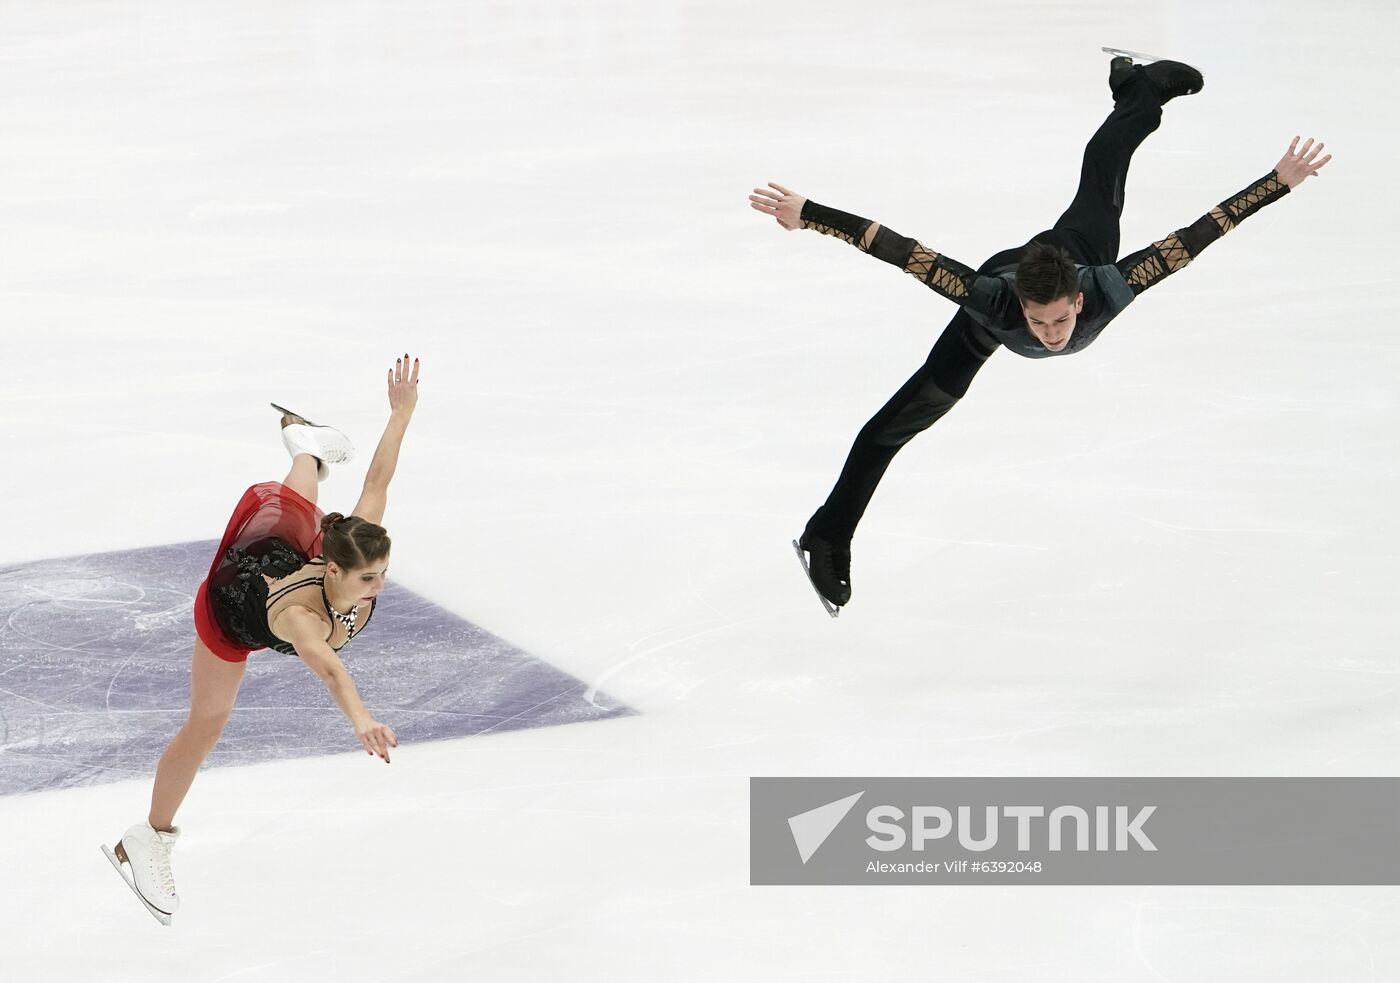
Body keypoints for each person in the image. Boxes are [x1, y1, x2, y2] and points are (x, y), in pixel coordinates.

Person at [749, 56, 1331, 614]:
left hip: (1078, 246)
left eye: (1059, 320)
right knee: (897, 423)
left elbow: (1200, 233)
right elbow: (904, 253)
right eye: (1040, 322)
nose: (1052, 335)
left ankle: (1139, 89)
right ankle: (827, 534)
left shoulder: (1112, 282)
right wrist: (811, 214)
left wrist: (1276, 182)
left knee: (1104, 163)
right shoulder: (994, 302)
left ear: (1080, 302)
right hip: (1010, 273)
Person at [103, 354, 421, 922]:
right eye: (367, 579)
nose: (377, 587)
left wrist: (401, 414)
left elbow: (378, 481)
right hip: (232, 609)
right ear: (331, 572)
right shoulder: (305, 620)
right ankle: (149, 837)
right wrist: (361, 720)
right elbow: (329, 669)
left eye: (382, 574)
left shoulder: (346, 549)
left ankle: (306, 445)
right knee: (207, 723)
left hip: (279, 553)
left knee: (297, 509)